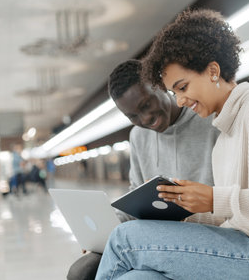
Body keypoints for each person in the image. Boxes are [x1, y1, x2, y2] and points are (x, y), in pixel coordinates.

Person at [96, 9, 249, 279]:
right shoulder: (226, 133)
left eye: (183, 87)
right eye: (175, 92)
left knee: (124, 239)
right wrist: (190, 213)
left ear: (213, 71)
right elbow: (235, 218)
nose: (179, 101)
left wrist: (214, 199)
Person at [67, 59, 220, 280]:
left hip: (205, 236)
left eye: (146, 105)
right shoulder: (138, 136)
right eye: (133, 116)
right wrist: (104, 235)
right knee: (81, 271)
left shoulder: (208, 119)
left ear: (159, 85)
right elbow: (135, 199)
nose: (146, 119)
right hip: (157, 237)